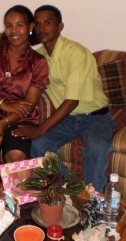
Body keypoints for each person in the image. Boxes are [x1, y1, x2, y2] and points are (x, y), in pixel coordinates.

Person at [12, 5, 116, 193]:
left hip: (96, 117)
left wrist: (40, 128)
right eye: (38, 23)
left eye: (48, 22)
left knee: (99, 146)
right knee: (39, 144)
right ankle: (69, 190)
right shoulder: (39, 58)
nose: (42, 28)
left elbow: (72, 100)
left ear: (60, 27)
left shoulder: (76, 53)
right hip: (68, 119)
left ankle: (93, 198)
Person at [0, 5, 49, 184]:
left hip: (18, 118)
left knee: (16, 158)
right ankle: (22, 190)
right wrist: (4, 104)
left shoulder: (38, 62)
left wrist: (6, 121)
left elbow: (29, 104)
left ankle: (23, 197)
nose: (13, 31)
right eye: (9, 25)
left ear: (30, 27)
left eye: (19, 25)